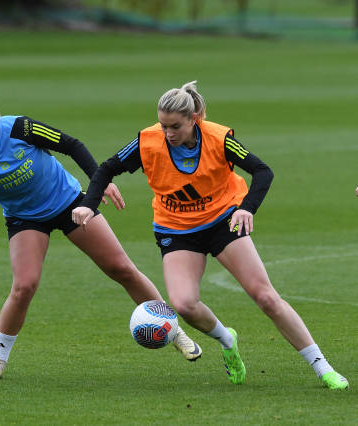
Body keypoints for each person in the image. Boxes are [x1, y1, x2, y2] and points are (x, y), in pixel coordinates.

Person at [0, 86, 202, 381]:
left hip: (70, 203)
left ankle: (176, 333)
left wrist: (99, 181)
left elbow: (71, 145)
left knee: (122, 269)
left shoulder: (21, 128)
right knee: (24, 287)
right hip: (26, 221)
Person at [72, 81, 348, 390]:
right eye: (163, 126)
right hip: (176, 229)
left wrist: (247, 209)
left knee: (266, 297)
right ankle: (228, 340)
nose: (168, 133)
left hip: (222, 221)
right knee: (184, 304)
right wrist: (88, 205)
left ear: (194, 120)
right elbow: (107, 168)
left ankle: (323, 368)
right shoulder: (148, 141)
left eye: (175, 126)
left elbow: (262, 171)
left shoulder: (219, 139)